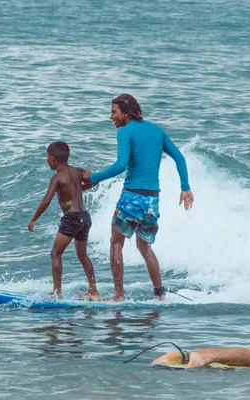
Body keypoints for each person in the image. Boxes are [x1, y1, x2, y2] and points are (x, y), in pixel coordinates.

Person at [81, 94, 194, 302]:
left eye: (114, 112)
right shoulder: (157, 130)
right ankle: (160, 296)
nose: (110, 117)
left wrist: (94, 178)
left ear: (126, 113)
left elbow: (122, 164)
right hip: (152, 199)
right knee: (145, 247)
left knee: (116, 243)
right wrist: (185, 187)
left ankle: (119, 296)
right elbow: (179, 157)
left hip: (132, 196)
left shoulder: (125, 132)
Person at [28, 141, 100, 300]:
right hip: (85, 218)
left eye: (47, 157)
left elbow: (47, 200)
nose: (47, 160)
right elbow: (94, 180)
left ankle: (57, 293)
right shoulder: (78, 171)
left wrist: (33, 219)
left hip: (72, 218)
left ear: (53, 159)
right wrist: (78, 189)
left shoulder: (57, 177)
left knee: (55, 253)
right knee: (82, 255)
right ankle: (93, 291)